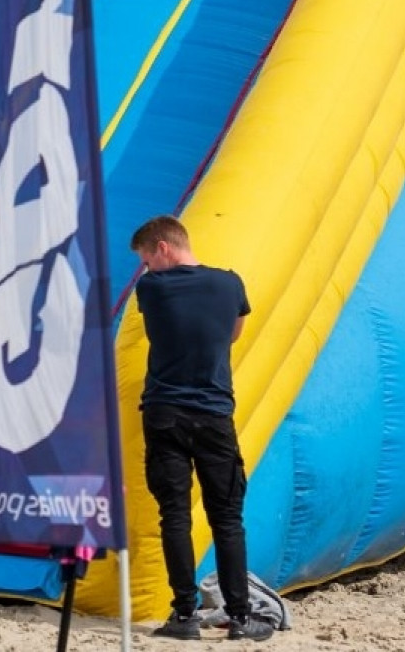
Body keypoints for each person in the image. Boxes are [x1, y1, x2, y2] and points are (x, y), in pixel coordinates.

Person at [130, 215, 273, 642]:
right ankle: (240, 617)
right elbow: (232, 334)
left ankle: (184, 615)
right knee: (227, 518)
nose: (145, 269)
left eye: (146, 259)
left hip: (165, 412)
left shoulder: (151, 289)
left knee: (174, 514)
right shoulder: (230, 284)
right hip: (213, 413)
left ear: (163, 248)